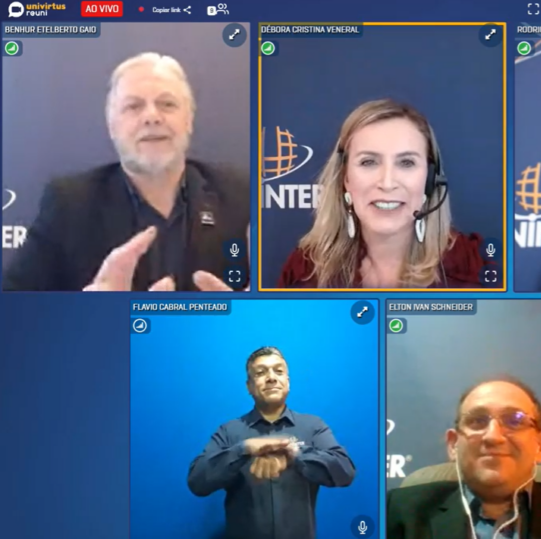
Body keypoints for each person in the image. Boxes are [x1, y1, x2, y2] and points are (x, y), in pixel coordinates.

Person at [1, 52, 249, 292]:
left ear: (189, 121)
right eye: (133, 106)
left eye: (167, 104)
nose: (152, 117)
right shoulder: (70, 205)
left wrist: (254, 311)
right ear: (112, 126)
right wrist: (88, 311)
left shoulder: (241, 196)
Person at [386, 377, 541, 539]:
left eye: (515, 420)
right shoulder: (399, 511)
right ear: (453, 444)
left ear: (540, 445)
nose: (493, 436)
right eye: (477, 421)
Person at [277, 99, 486, 289]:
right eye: (368, 162)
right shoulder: (304, 272)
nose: (387, 183)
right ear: (345, 177)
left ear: (430, 179)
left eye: (406, 163)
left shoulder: (473, 269)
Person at [187, 346, 356, 539]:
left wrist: (297, 453)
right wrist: (243, 449)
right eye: (260, 373)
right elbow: (197, 482)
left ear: (288, 382)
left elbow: (346, 472)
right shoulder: (229, 431)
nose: (271, 378)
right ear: (249, 386)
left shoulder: (313, 426)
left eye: (279, 371)